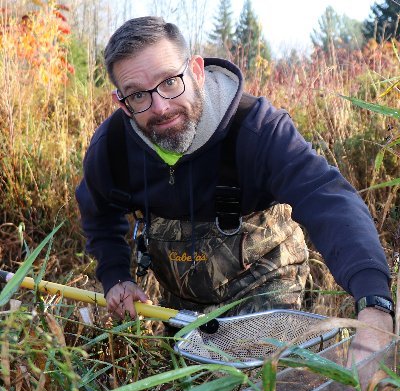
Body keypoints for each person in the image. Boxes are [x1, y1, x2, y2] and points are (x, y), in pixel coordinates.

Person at [75, 16, 393, 368]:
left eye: (169, 82)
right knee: (192, 383)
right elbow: (99, 215)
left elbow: (327, 199)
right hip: (180, 302)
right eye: (138, 95)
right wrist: (115, 276)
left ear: (196, 70)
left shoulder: (258, 128)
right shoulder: (112, 148)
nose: (161, 107)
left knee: (262, 378)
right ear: (122, 103)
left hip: (267, 284)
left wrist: (374, 305)